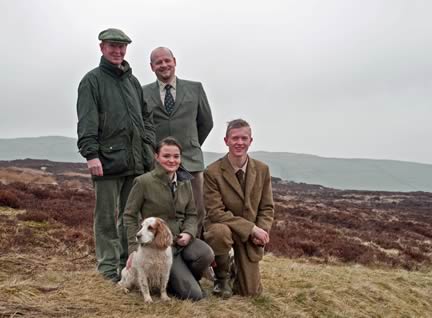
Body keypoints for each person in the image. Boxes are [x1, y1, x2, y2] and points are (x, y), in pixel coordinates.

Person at [76, 28, 155, 283]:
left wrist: (149, 145)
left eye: (122, 47)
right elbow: (86, 121)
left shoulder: (132, 82)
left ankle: (126, 265)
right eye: (112, 46)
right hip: (107, 162)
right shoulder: (92, 81)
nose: (117, 51)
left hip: (135, 162)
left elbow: (145, 118)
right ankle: (107, 269)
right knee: (107, 219)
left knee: (129, 218)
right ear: (101, 48)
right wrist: (91, 154)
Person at [124, 137, 214, 300]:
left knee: (206, 253)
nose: (172, 160)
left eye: (176, 156)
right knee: (194, 296)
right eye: (166, 156)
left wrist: (188, 233)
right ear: (156, 157)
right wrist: (132, 249)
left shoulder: (185, 182)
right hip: (158, 248)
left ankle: (184, 278)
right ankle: (178, 282)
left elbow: (192, 214)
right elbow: (129, 216)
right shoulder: (143, 182)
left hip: (182, 241)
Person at [142, 47, 213, 236]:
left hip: (191, 161)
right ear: (152, 67)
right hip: (157, 165)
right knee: (160, 211)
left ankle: (194, 251)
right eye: (158, 62)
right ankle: (164, 254)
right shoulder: (142, 93)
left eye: (167, 60)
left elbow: (206, 122)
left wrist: (190, 144)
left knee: (197, 210)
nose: (164, 65)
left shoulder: (195, 88)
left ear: (174, 61)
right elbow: (142, 128)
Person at [203, 119, 274, 297]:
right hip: (222, 226)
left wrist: (262, 230)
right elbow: (215, 212)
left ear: (251, 141)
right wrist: (251, 228)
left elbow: (266, 207)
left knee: (250, 292)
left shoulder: (263, 169)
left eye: (244, 138)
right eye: (235, 138)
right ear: (226, 140)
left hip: (248, 234)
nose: (239, 143)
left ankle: (234, 266)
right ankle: (221, 278)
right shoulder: (212, 172)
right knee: (219, 233)